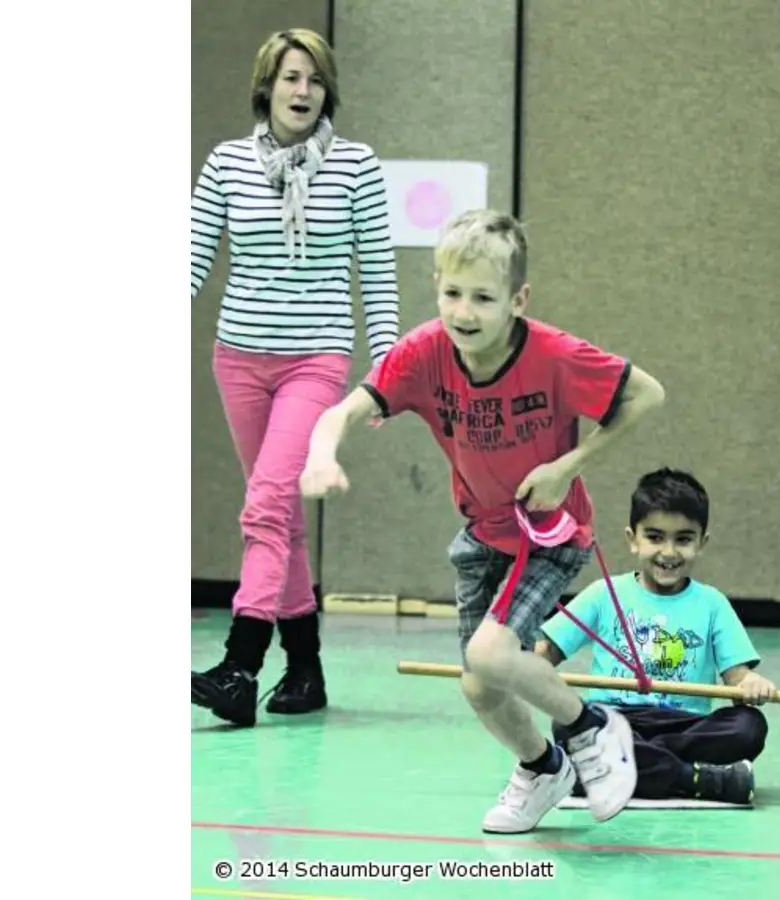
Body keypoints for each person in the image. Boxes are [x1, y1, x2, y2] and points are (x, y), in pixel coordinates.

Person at [299, 209, 668, 833]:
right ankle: (542, 767)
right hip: (482, 533)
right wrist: (319, 456)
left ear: (518, 299)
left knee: (491, 653)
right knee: (480, 685)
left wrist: (567, 465)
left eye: (483, 298)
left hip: (551, 531)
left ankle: (592, 726)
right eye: (451, 294)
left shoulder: (553, 354)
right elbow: (341, 413)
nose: (463, 312)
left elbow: (647, 393)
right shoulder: (422, 353)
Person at [190, 28, 401, 728]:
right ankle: (304, 670)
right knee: (279, 517)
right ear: (267, 87)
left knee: (265, 508)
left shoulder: (356, 166)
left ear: (326, 89)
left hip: (316, 358)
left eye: (313, 78)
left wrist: (386, 371)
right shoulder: (225, 163)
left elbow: (377, 270)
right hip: (240, 358)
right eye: (289, 77)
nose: (302, 90)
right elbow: (190, 260)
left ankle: (239, 666)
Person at [536, 468, 775, 805]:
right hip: (613, 722)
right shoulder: (603, 593)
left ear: (702, 542)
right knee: (568, 723)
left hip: (686, 725)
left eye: (683, 539)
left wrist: (750, 684)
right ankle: (693, 778)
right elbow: (544, 654)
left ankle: (614, 770)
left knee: (748, 726)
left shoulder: (712, 604)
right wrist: (516, 660)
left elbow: (738, 679)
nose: (669, 552)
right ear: (633, 538)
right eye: (655, 536)